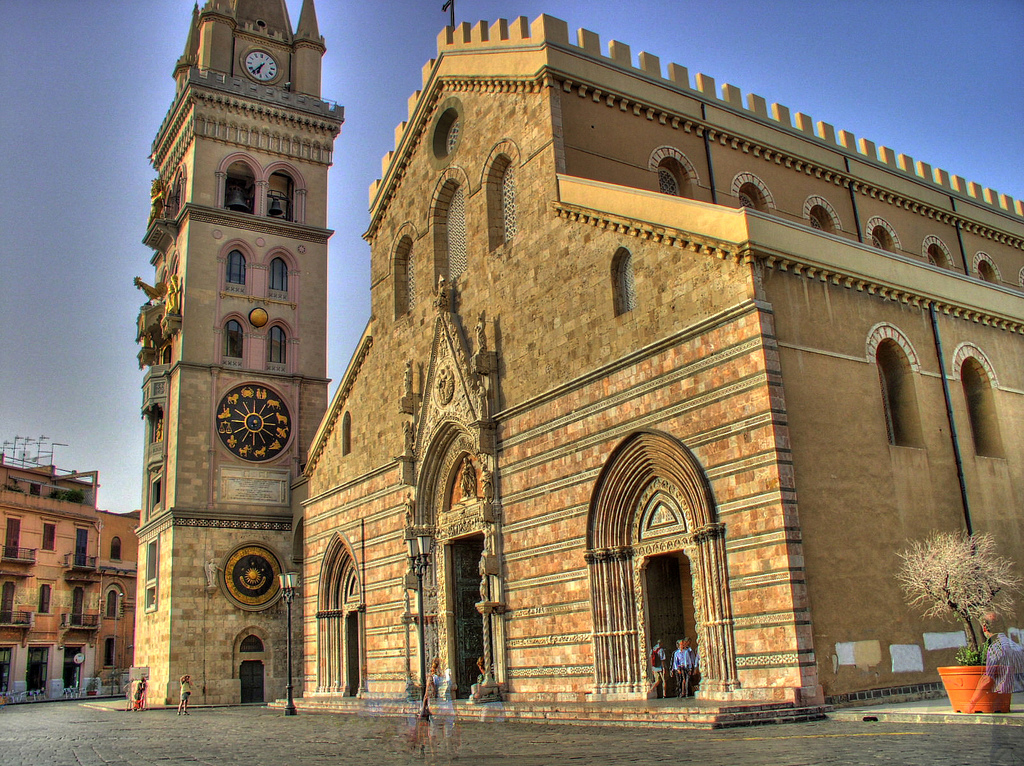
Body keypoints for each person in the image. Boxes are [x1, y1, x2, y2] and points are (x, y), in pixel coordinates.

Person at [965, 612, 1024, 713]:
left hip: (1005, 699)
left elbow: (987, 680)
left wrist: (972, 703)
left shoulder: (995, 648)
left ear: (984, 628)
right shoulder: (1016, 646)